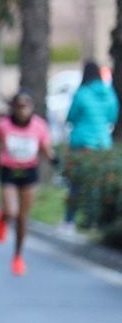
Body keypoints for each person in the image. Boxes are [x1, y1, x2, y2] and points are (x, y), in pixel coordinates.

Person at [0, 89, 54, 276]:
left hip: (29, 172)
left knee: (22, 218)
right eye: (18, 106)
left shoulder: (39, 125)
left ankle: (17, 256)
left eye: (26, 106)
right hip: (9, 171)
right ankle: (3, 217)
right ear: (14, 107)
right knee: (12, 211)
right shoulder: (4, 124)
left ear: (32, 107)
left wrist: (54, 159)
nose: (22, 110)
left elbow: (45, 147)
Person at [63, 61, 118, 231]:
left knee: (76, 183)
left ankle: (69, 221)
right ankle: (95, 222)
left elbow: (71, 117)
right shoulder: (109, 93)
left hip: (82, 145)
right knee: (98, 185)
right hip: (103, 145)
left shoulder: (82, 93)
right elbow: (112, 117)